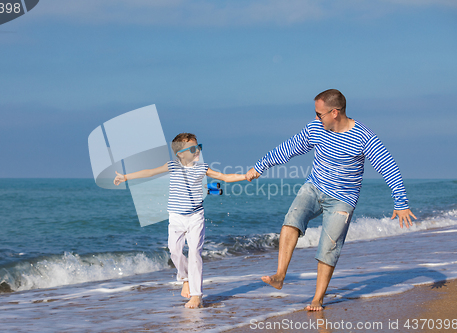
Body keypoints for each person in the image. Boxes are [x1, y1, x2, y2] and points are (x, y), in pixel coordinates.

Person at [245, 89, 417, 311]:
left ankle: (317, 298)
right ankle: (279, 275)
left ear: (335, 112)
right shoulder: (315, 128)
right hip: (314, 187)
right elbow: (289, 148)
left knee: (329, 247)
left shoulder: (364, 137)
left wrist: (401, 202)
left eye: (320, 114)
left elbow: (388, 166)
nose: (316, 118)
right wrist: (260, 166)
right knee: (291, 220)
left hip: (342, 199)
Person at [114, 133, 246, 309]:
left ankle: (197, 295)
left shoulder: (202, 168)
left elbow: (224, 177)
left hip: (195, 217)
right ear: (180, 154)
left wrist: (246, 176)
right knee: (174, 251)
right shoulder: (172, 166)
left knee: (194, 253)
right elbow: (150, 172)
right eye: (193, 148)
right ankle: (185, 278)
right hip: (175, 217)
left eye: (199, 147)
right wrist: (125, 176)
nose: (197, 150)